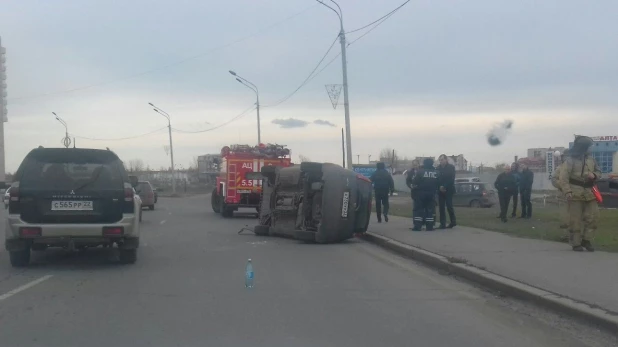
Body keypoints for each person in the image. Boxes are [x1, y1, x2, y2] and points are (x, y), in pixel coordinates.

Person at [559, 136, 601, 252]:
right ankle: (575, 242)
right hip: (575, 193)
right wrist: (567, 191)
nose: (591, 149)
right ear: (583, 147)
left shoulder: (591, 160)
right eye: (589, 147)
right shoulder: (570, 160)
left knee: (593, 217)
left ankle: (586, 240)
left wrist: (595, 175)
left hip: (589, 193)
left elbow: (599, 171)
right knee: (575, 220)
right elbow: (563, 178)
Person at [410, 158, 439, 231]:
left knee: (418, 210)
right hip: (431, 194)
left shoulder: (420, 172)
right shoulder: (436, 172)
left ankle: (417, 226)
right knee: (430, 210)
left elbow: (414, 182)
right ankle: (429, 226)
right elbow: (438, 183)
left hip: (420, 194)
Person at [437, 154, 456, 229]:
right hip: (440, 190)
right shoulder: (438, 168)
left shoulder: (451, 167)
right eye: (440, 160)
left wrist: (444, 186)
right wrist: (439, 187)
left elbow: (451, 179)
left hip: (449, 189)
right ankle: (442, 223)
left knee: (449, 206)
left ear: (446, 160)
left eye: (442, 159)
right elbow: (437, 179)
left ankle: (453, 222)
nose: (441, 161)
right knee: (441, 207)